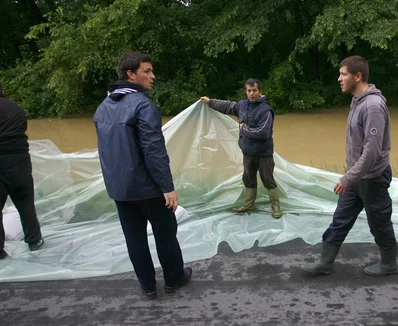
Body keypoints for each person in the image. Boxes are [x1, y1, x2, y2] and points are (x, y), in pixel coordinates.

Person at [94, 52, 192, 300]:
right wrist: (167, 187)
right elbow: (153, 151)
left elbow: (106, 154)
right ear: (131, 74)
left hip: (120, 190)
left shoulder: (103, 107)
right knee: (165, 233)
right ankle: (173, 279)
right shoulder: (143, 105)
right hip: (148, 189)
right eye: (147, 71)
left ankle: (147, 286)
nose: (152, 76)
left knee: (134, 238)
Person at [301, 56, 398, 276]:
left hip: (372, 177)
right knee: (340, 218)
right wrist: (351, 176)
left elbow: (372, 152)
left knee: (379, 222)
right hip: (356, 177)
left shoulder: (373, 106)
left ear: (358, 76)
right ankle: (325, 263)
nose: (339, 78)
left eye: (343, 74)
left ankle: (389, 264)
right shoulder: (357, 100)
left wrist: (348, 178)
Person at [199, 79, 282, 219]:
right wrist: (210, 102)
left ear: (260, 91)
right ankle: (249, 205)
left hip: (263, 154)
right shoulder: (242, 105)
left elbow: (263, 133)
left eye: (254, 90)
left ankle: (275, 207)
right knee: (248, 178)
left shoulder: (266, 110)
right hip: (248, 152)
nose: (251, 94)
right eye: (249, 91)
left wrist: (245, 129)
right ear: (246, 91)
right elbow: (227, 106)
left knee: (268, 179)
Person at [0, 84, 45, 259]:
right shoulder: (16, 109)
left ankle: (0, 251)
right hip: (20, 161)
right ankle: (34, 240)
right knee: (26, 204)